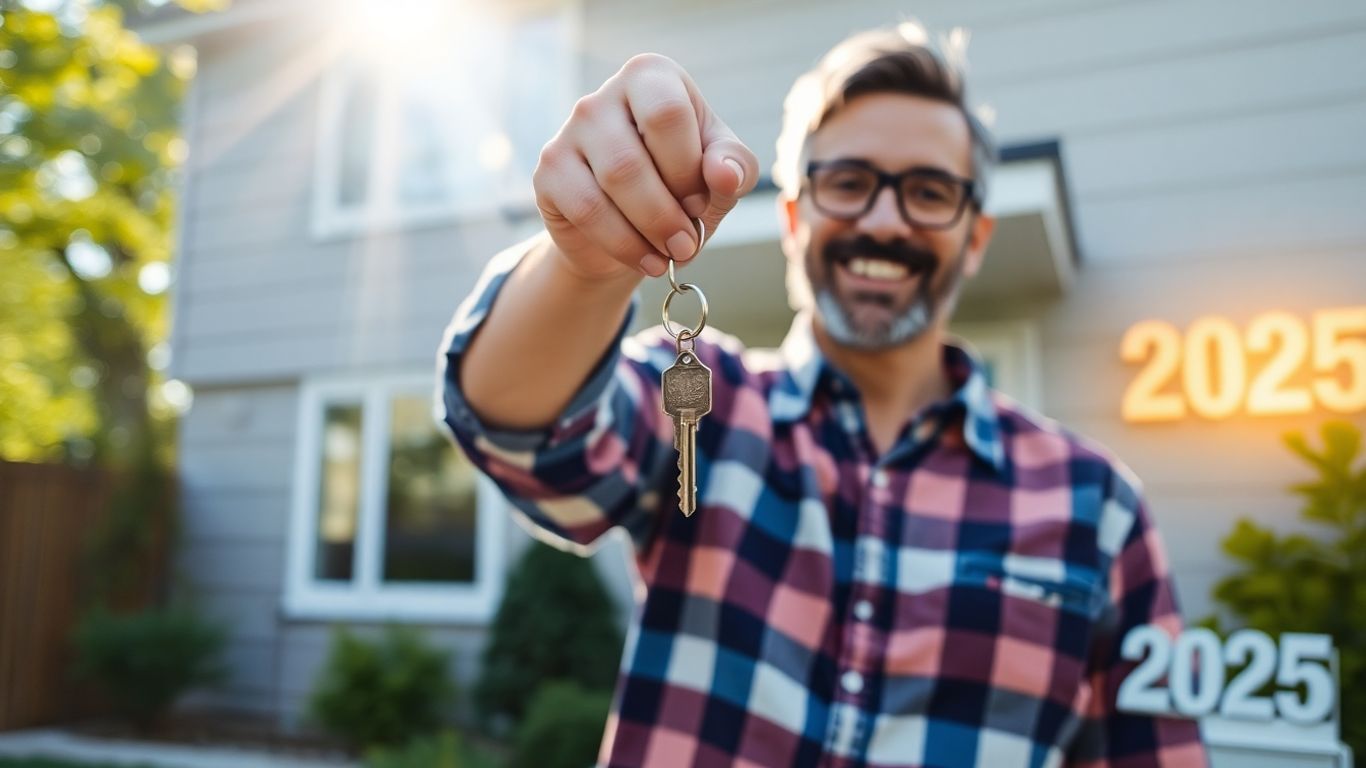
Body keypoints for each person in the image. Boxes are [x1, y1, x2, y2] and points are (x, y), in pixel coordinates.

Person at [437, 20, 1208, 768]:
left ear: (974, 238)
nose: (883, 220)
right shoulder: (709, 411)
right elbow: (529, 435)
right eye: (848, 183)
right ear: (793, 217)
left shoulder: (1096, 508)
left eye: (930, 192)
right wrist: (585, 265)